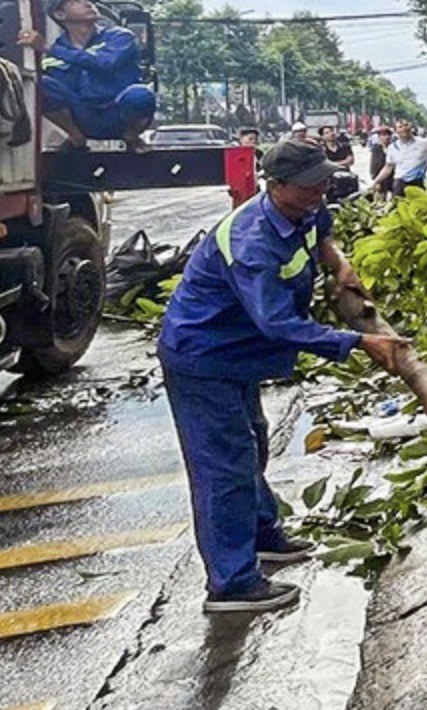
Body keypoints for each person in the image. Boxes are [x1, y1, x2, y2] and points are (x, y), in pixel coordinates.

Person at [158, 141, 402, 614]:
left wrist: (340, 265)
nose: (322, 189)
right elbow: (279, 326)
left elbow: (322, 234)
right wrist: (358, 343)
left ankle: (263, 534)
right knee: (224, 466)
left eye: (324, 179)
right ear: (276, 186)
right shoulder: (252, 243)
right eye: (311, 183)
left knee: (254, 440)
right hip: (204, 357)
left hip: (239, 354)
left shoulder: (307, 208)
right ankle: (230, 584)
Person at [21, 0, 156, 150]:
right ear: (60, 14)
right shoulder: (57, 51)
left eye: (89, 0)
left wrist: (49, 49)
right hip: (84, 116)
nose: (88, 4)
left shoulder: (120, 36)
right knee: (39, 84)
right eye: (76, 1)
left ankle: (131, 136)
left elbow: (105, 63)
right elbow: (55, 91)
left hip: (118, 113)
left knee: (140, 95)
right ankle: (76, 136)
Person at [382, 120, 427, 196]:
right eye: (400, 127)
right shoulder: (393, 147)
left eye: (406, 125)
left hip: (418, 182)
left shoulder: (424, 143)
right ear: (396, 131)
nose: (404, 128)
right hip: (399, 183)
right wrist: (375, 182)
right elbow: (388, 167)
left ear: (411, 127)